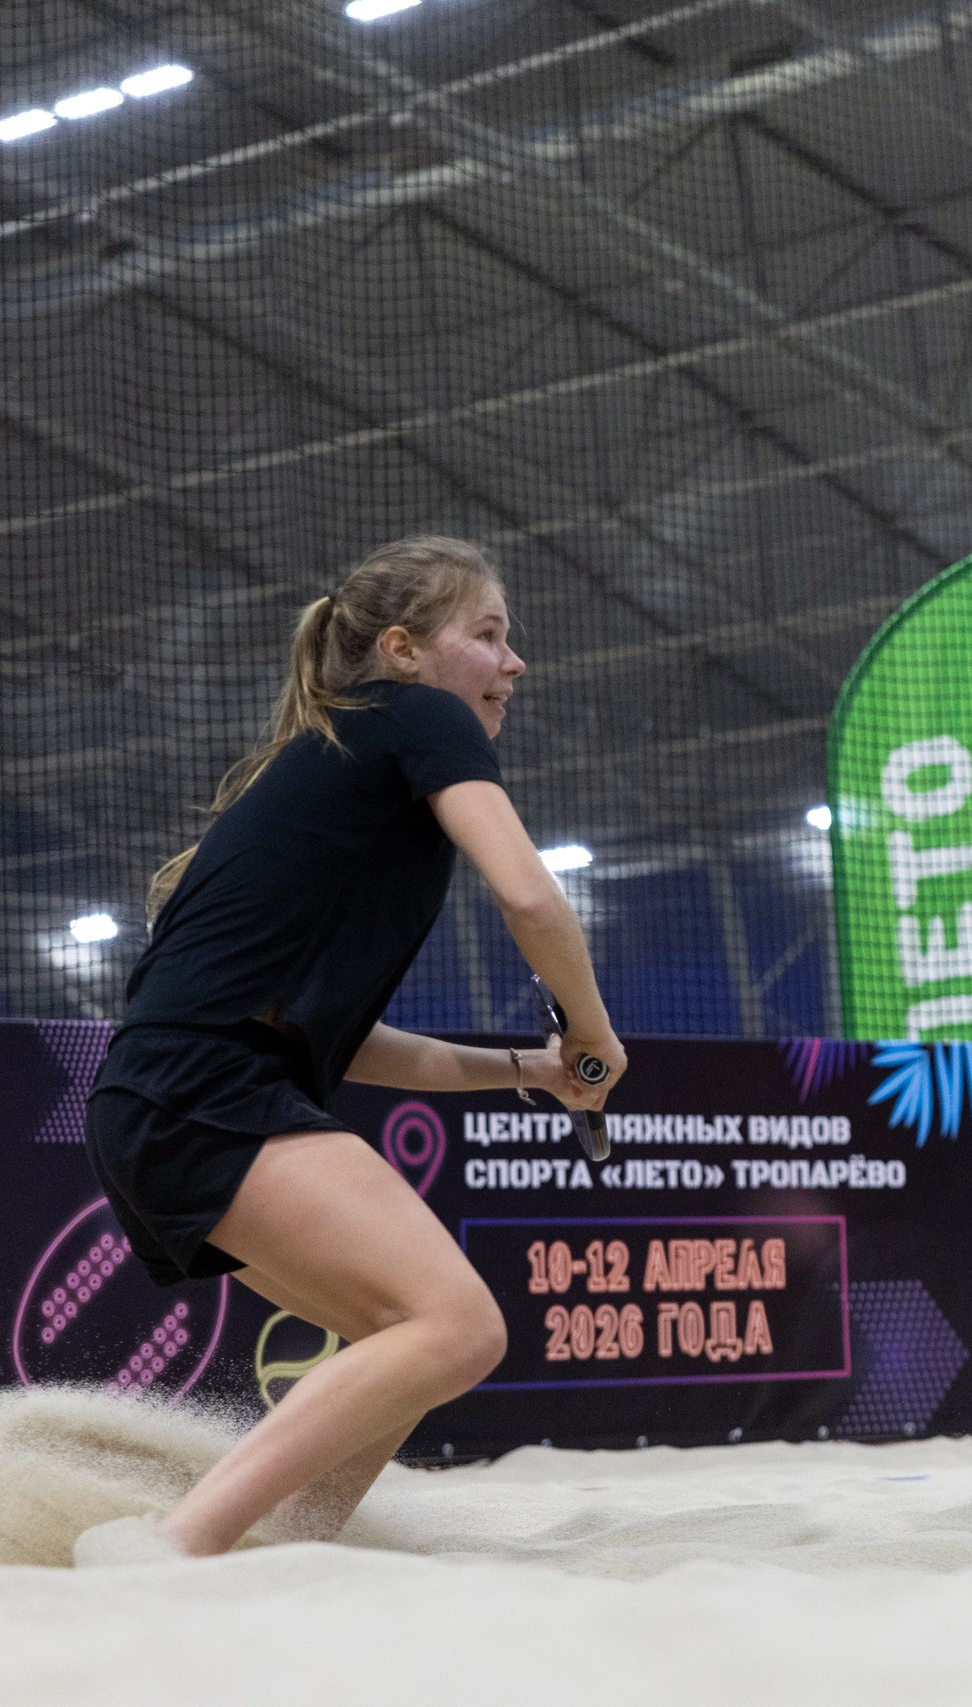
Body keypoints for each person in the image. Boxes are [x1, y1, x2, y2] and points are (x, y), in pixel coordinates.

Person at [77, 536, 625, 1561]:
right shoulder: (417, 716)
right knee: (458, 1328)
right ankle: (171, 1545)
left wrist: (534, 1070)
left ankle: (295, 1549)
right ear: (404, 650)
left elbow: (347, 1043)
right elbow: (530, 897)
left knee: (401, 1336)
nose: (514, 662)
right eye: (489, 633)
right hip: (203, 1086)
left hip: (155, 1095)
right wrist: (594, 1034)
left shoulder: (328, 764)